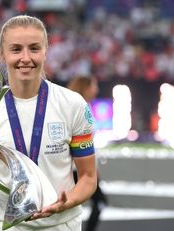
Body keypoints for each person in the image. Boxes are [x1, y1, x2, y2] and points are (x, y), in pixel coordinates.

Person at [0, 15, 97, 231]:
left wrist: (66, 202)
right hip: (4, 225)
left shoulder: (72, 104)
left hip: (61, 225)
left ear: (45, 51)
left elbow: (88, 177)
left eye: (34, 48)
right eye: (16, 49)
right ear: (2, 54)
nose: (26, 58)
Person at [67, 76, 108, 231]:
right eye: (94, 85)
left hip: (80, 167)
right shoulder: (77, 109)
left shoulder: (83, 107)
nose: (96, 89)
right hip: (76, 168)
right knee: (99, 202)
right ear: (86, 87)